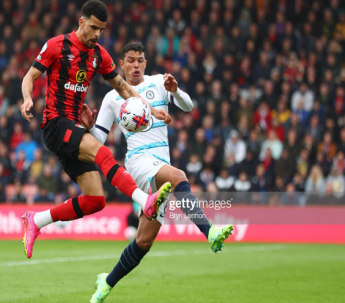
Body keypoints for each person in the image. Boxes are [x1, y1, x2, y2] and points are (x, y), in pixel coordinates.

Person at [81, 42, 234, 303]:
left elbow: (188, 106)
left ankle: (105, 283)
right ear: (122, 64)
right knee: (179, 178)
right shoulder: (112, 98)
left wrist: (176, 90)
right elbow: (98, 139)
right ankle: (209, 233)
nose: (136, 65)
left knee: (143, 242)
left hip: (161, 160)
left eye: (140, 60)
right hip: (138, 161)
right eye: (130, 60)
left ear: (145, 62)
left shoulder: (159, 82)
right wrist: (87, 128)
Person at [20, 0, 172, 259]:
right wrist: (27, 97)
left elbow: (124, 88)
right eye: (93, 27)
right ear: (81, 22)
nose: (97, 34)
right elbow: (29, 77)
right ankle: (143, 200)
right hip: (56, 125)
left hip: (75, 127)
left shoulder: (99, 54)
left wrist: (149, 109)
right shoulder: (57, 45)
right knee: (103, 153)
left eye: (101, 29)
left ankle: (36, 221)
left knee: (95, 201)